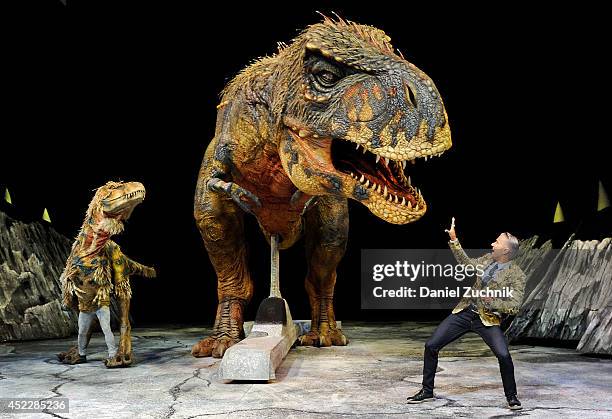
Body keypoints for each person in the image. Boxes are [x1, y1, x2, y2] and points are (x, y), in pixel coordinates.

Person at [406, 218, 526, 410]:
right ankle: (427, 390)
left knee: (503, 355)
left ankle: (512, 397)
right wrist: (454, 240)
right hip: (465, 311)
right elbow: (467, 264)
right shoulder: (487, 259)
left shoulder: (517, 275)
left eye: (496, 242)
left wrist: (492, 301)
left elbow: (515, 305)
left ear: (506, 251)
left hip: (487, 319)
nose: (492, 244)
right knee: (431, 345)